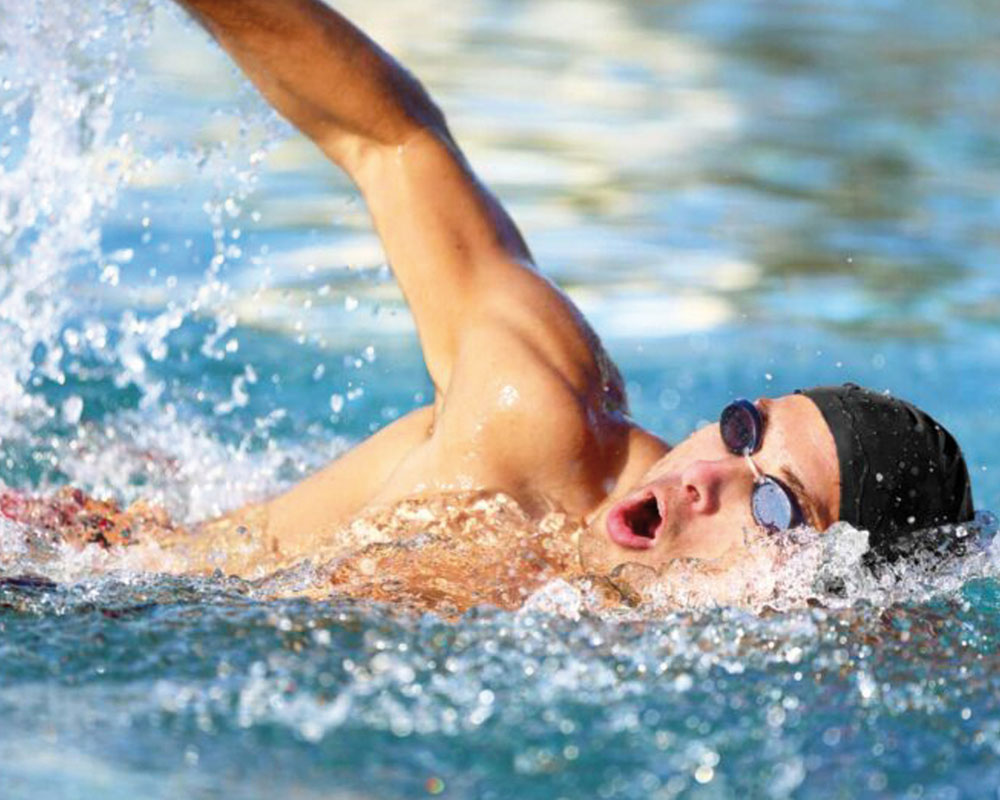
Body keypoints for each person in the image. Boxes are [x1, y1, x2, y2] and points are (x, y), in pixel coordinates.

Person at [1, 0, 975, 610]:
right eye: (741, 427)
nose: (705, 474)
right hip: (65, 573)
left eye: (772, 502)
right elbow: (393, 141)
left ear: (815, 588)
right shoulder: (534, 422)